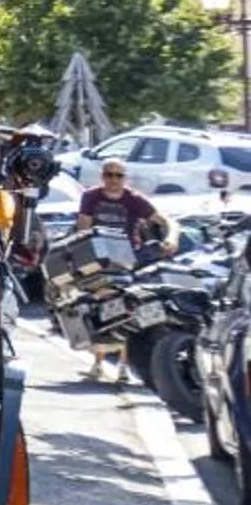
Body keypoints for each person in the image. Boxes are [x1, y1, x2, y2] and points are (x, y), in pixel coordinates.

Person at [73, 159, 165, 383]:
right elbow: (84, 227)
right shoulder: (91, 196)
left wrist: (170, 237)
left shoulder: (134, 200)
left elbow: (163, 220)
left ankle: (123, 367)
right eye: (109, 174)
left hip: (126, 260)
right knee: (100, 310)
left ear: (125, 178)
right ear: (102, 176)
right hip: (99, 259)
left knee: (124, 311)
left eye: (118, 175)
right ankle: (98, 363)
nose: (113, 180)